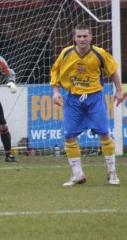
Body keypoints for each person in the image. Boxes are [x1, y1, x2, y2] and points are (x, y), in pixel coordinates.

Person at [51, 24, 124, 187]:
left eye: (85, 36)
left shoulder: (100, 53)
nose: (82, 39)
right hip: (73, 100)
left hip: (94, 98)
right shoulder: (66, 53)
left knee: (104, 133)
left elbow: (113, 71)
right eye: (79, 36)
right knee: (69, 135)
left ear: (91, 37)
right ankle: (77, 174)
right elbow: (55, 71)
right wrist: (55, 92)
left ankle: (112, 172)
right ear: (74, 38)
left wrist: (119, 90)